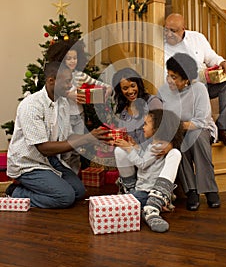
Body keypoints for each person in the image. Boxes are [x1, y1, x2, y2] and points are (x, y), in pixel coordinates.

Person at [6, 62, 110, 209]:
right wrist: (87, 138)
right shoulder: (31, 106)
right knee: (65, 198)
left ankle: (38, 186)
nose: (70, 86)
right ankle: (16, 192)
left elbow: (68, 138)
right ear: (51, 80)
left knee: (78, 192)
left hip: (50, 161)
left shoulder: (63, 103)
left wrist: (95, 138)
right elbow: (44, 148)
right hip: (28, 163)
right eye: (67, 81)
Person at [163, 13, 226, 149]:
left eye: (173, 31)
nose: (168, 34)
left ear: (183, 29)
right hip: (185, 91)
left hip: (206, 84)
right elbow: (167, 76)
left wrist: (222, 62)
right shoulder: (162, 46)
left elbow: (211, 57)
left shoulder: (197, 38)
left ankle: (223, 129)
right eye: (166, 29)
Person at [158, 53, 221, 211]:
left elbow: (200, 121)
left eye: (175, 77)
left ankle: (209, 188)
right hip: (178, 132)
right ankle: (191, 190)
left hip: (200, 130)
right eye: (169, 75)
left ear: (186, 79)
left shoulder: (199, 89)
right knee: (178, 141)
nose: (170, 80)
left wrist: (174, 125)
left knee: (195, 136)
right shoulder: (164, 91)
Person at [46, 39, 112, 173]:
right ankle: (63, 176)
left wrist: (108, 89)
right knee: (66, 150)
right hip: (63, 116)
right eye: (68, 58)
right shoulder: (57, 75)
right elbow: (51, 94)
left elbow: (102, 85)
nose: (72, 61)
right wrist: (68, 94)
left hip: (79, 116)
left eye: (75, 58)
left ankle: (74, 175)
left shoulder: (81, 76)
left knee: (77, 149)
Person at [114, 109, 183, 233]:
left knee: (121, 207)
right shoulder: (153, 144)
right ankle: (137, 200)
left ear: (157, 129)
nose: (142, 127)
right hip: (141, 188)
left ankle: (151, 207)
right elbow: (146, 157)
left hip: (147, 191)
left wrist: (129, 148)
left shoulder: (158, 146)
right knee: (119, 151)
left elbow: (142, 163)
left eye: (146, 124)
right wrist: (134, 146)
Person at [112, 67, 163, 192]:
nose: (130, 91)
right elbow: (127, 137)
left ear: (138, 84)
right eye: (125, 88)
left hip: (153, 150)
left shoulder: (153, 102)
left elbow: (163, 129)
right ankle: (129, 188)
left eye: (132, 86)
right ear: (120, 91)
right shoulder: (124, 111)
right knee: (119, 150)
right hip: (137, 150)